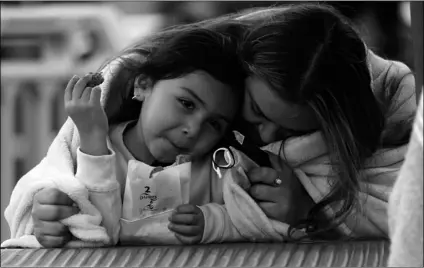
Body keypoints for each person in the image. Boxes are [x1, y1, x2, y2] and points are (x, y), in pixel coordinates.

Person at [20, 26, 246, 247]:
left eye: (214, 124)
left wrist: (214, 222)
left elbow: (255, 220)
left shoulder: (217, 171)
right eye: (186, 104)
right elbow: (89, 231)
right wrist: (45, 221)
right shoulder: (87, 151)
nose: (194, 130)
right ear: (143, 85)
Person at [229, 4, 417, 239]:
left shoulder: (404, 121)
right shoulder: (200, 85)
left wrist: (310, 210)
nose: (266, 137)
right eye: (257, 110)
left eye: (290, 133)